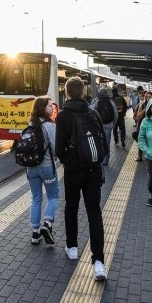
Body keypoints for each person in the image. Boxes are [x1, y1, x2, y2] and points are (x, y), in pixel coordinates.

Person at [55, 76, 109, 281]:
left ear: (66, 92)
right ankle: (98, 262)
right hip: (93, 171)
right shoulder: (93, 112)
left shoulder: (63, 116)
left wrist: (69, 161)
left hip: (73, 172)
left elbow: (59, 148)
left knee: (71, 207)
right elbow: (103, 143)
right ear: (84, 92)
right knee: (94, 212)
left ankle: (72, 247)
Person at [26, 96, 60, 246]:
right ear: (42, 108)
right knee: (53, 196)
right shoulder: (49, 126)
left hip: (31, 169)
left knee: (36, 198)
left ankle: (35, 233)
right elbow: (55, 148)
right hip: (47, 168)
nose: (52, 108)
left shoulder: (30, 124)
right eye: (49, 106)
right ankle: (47, 223)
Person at [90, 88, 117, 166]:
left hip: (97, 126)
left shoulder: (96, 102)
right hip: (108, 126)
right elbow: (115, 114)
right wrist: (113, 124)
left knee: (97, 143)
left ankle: (98, 159)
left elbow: (90, 112)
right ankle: (106, 160)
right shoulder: (111, 103)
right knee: (107, 143)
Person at [133, 91, 152, 162]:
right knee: (140, 139)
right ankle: (139, 156)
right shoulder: (142, 105)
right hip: (142, 124)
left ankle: (151, 155)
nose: (148, 98)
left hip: (151, 126)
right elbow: (138, 115)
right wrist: (145, 109)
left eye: (149, 97)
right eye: (146, 97)